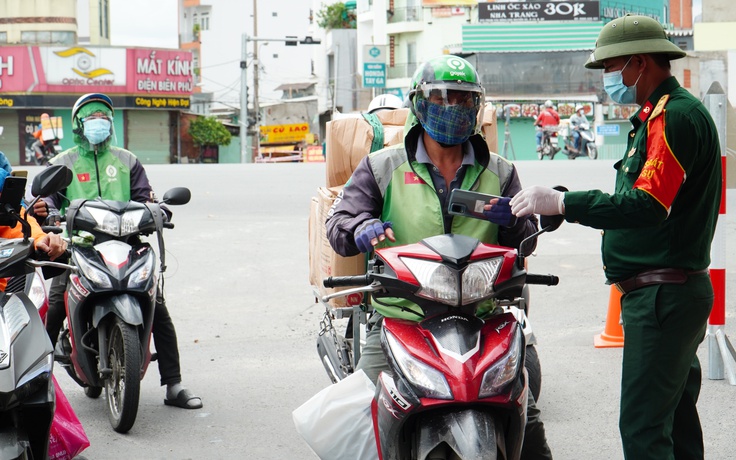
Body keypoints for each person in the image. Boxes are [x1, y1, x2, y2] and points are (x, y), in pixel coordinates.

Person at [510, 14, 721, 460]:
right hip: (667, 294)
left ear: (640, 63)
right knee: (676, 422)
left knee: (643, 429)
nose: (609, 79)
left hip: (664, 297)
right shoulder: (654, 118)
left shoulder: (673, 117)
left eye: (612, 68)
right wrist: (567, 202)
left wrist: (565, 204)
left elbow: (647, 206)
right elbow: (639, 201)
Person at [326, 55, 552, 459]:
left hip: (480, 316)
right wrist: (358, 228)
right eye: (443, 98)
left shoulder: (499, 171)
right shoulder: (382, 166)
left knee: (526, 417)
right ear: (420, 103)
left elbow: (525, 242)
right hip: (403, 315)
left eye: (465, 101)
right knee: (361, 414)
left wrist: (517, 221)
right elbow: (339, 221)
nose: (454, 109)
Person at [31, 93, 203, 410]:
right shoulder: (63, 162)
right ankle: (35, 385)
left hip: (127, 243)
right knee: (55, 306)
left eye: (103, 116)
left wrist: (157, 211)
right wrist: (48, 212)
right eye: (91, 116)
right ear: (78, 124)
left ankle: (174, 384)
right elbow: (49, 199)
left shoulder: (126, 161)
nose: (99, 122)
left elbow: (144, 197)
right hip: (78, 245)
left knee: (157, 306)